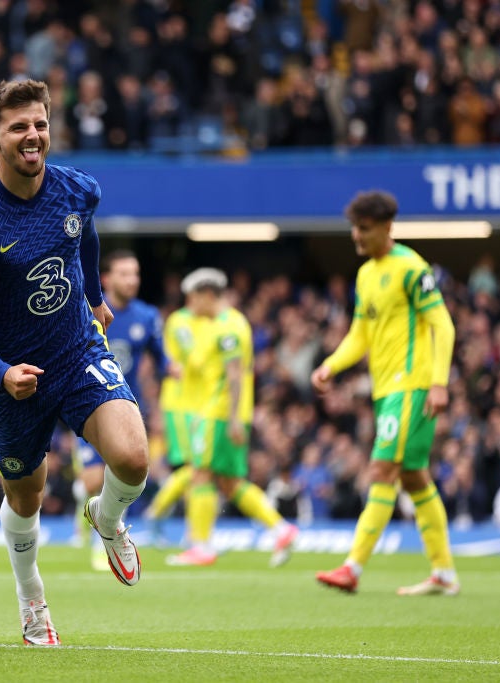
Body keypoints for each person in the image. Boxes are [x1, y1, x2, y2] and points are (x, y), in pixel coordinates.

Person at [0, 79, 148, 647]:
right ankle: (32, 599)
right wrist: (0, 370)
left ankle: (107, 520)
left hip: (78, 352)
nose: (33, 136)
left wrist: (98, 297)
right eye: (19, 127)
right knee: (25, 497)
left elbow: (85, 239)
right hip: (13, 379)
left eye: (40, 123)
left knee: (132, 458)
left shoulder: (77, 189)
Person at [314, 190, 458, 596]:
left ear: (387, 227)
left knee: (381, 471)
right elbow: (360, 335)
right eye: (354, 229)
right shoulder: (365, 275)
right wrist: (331, 365)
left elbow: (443, 325)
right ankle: (444, 573)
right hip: (388, 390)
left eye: (364, 229)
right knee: (414, 477)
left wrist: (439, 382)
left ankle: (353, 567)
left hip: (411, 386)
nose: (356, 236)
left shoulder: (412, 268)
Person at [165, 268, 298, 568]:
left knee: (200, 473)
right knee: (228, 482)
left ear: (208, 295)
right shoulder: (226, 323)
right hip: (221, 413)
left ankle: (201, 546)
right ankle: (281, 529)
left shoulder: (228, 327)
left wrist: (235, 418)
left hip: (222, 414)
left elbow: (235, 374)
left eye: (194, 298)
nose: (191, 305)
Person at [73, 249, 169, 570]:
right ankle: (85, 510)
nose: (132, 280)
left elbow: (160, 361)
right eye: (125, 274)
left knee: (122, 471)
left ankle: (108, 540)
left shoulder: (147, 317)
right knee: (89, 481)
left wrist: (170, 378)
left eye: (136, 274)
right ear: (107, 279)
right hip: (87, 401)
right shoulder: (87, 308)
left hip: (127, 404)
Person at [143, 287, 204, 542]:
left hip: (198, 406)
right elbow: (198, 360)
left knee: (199, 468)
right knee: (195, 466)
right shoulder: (180, 322)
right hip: (180, 405)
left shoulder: (204, 324)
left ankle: (193, 529)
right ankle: (157, 514)